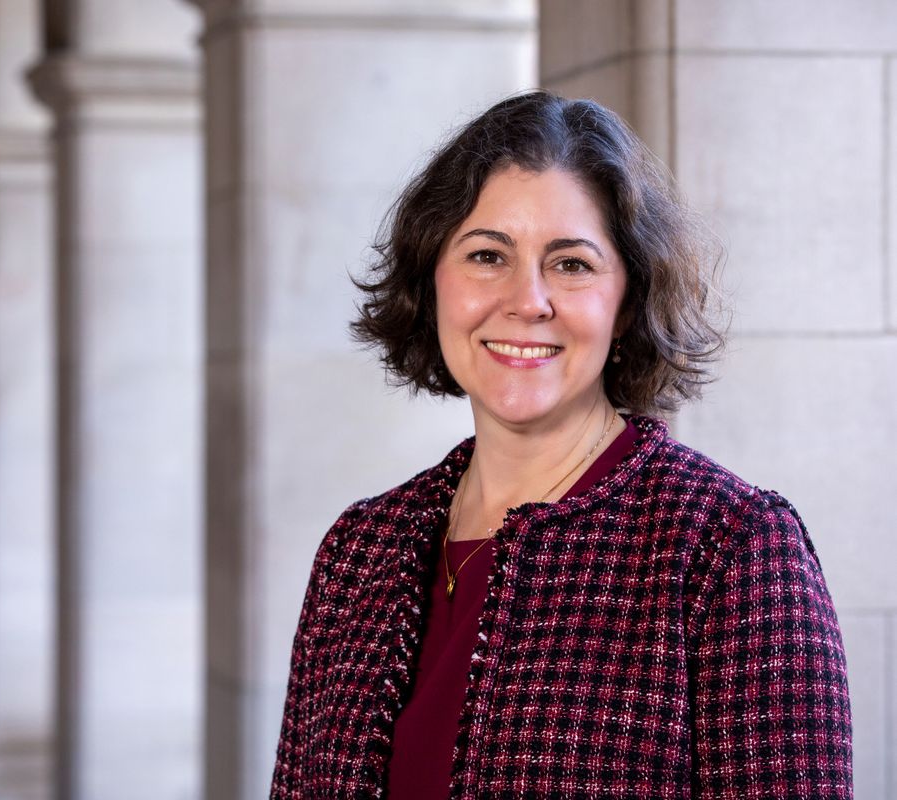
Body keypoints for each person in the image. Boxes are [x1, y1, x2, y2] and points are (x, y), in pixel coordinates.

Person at [268, 91, 853, 799]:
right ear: (434, 281)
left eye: (571, 264)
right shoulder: (359, 550)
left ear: (628, 300)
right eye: (488, 255)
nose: (528, 299)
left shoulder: (730, 549)